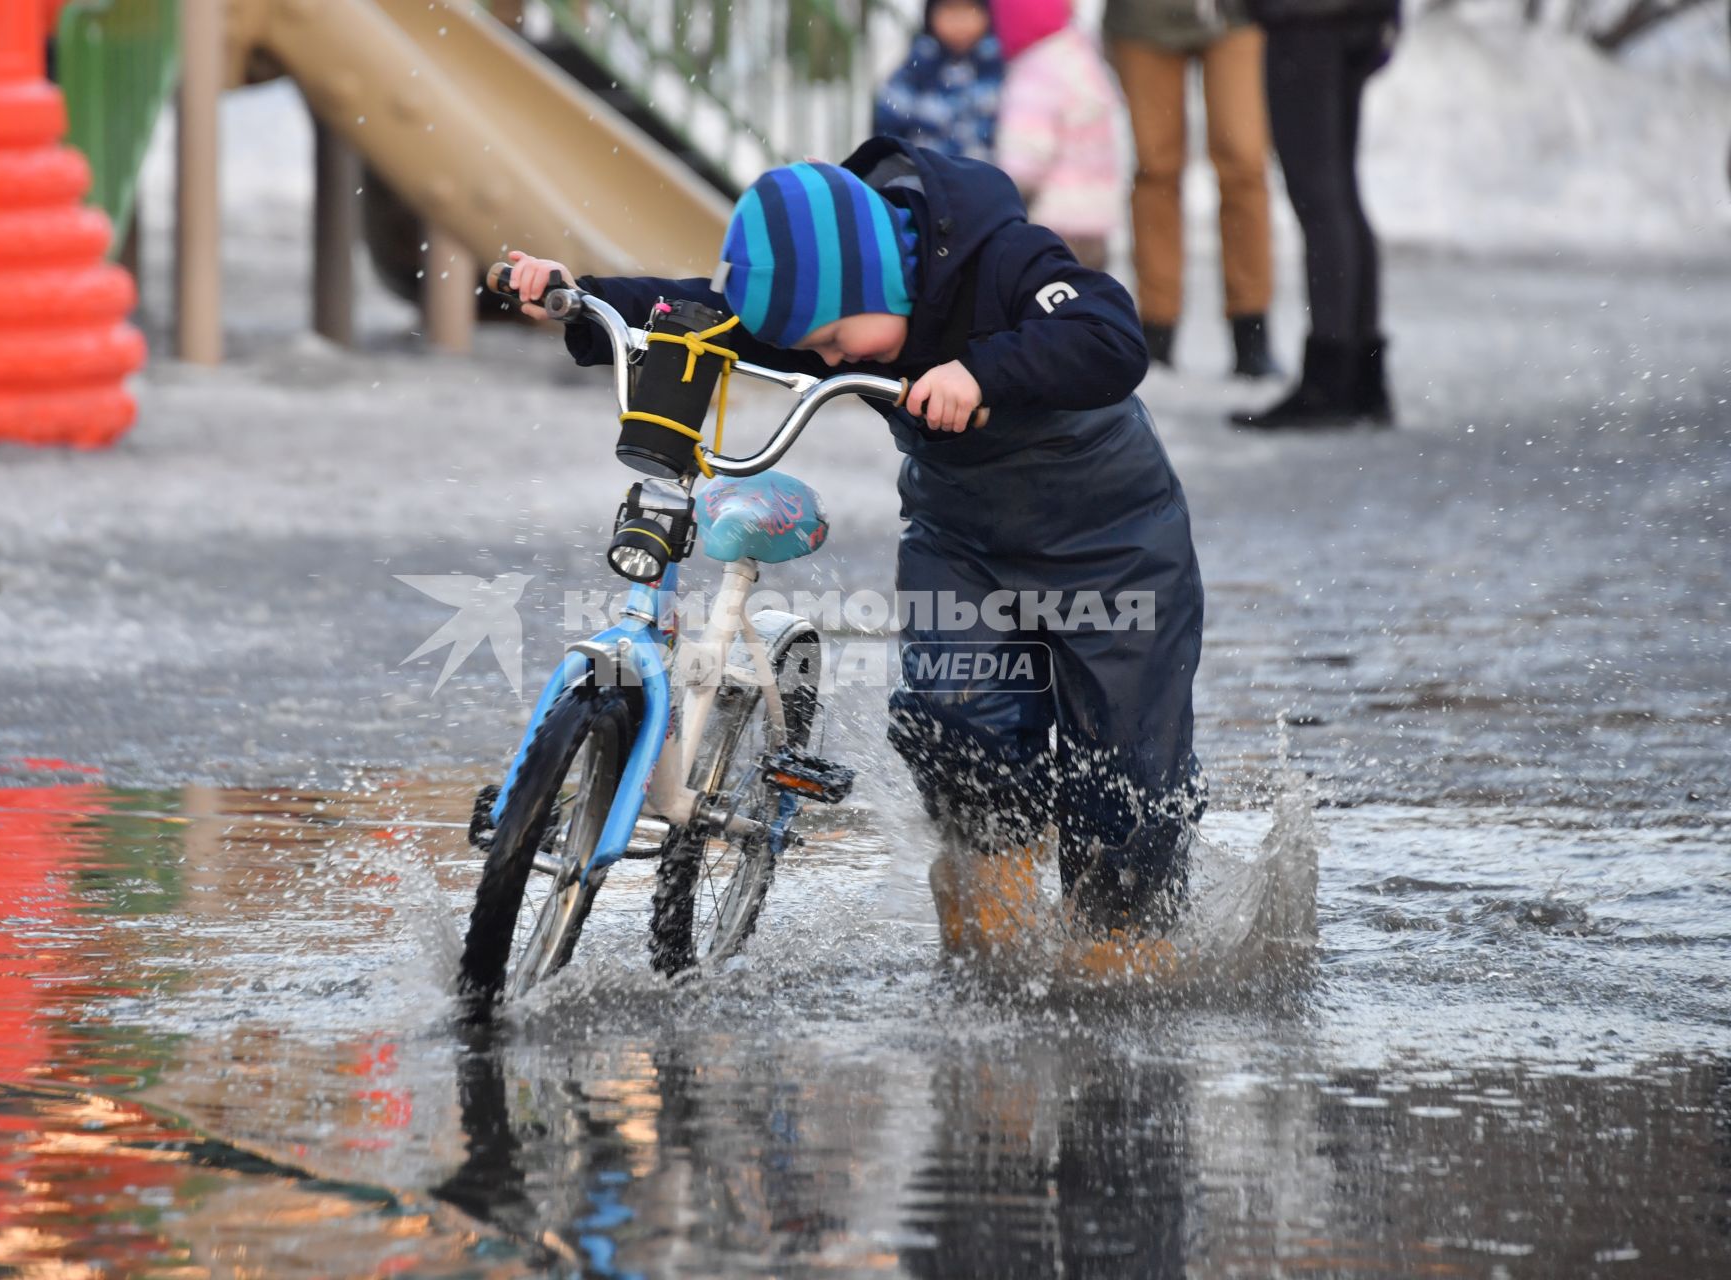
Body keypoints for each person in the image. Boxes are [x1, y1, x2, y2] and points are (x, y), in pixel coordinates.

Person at [501, 136, 1206, 958]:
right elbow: (697, 313)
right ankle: (993, 929)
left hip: (1114, 542)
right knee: (956, 717)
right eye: (818, 350)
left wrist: (982, 374)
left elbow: (1109, 333)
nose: (829, 363)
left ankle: (1123, 945)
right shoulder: (834, 305)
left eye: (837, 340)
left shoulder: (998, 257)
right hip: (964, 539)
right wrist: (581, 300)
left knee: (1126, 775)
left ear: (880, 281)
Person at [1231, 0, 1399, 429]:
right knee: (1339, 189)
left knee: (1319, 196)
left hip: (1306, 18)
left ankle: (1330, 378)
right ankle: (1363, 376)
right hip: (1355, 16)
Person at [1103, 0, 1281, 377]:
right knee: (1156, 168)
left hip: (1237, 16)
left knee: (1244, 164)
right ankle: (1156, 326)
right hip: (1142, 21)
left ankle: (1251, 327)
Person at [991, 0, 1124, 271]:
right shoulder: (1081, 54)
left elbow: (1028, 145)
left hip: (1052, 219)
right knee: (1089, 298)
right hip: (1094, 215)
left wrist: (1012, 193)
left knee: (1051, 299)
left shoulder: (1035, 69)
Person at [873, 0, 1006, 163]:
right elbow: (888, 125)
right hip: (926, 176)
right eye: (949, 11)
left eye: (969, 10)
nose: (959, 23)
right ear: (930, 15)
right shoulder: (919, 66)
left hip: (987, 176)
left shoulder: (998, 67)